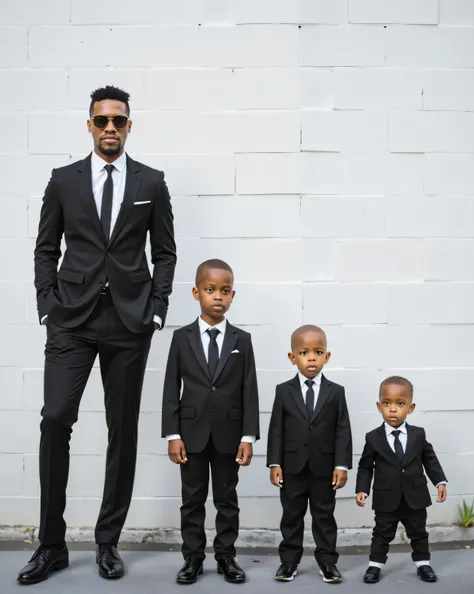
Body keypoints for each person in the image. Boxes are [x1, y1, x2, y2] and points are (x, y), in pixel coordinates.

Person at [18, 86, 176, 585]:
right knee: (55, 419)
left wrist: (156, 309)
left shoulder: (152, 181)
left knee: (121, 430)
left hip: (130, 323)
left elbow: (165, 252)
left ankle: (108, 542)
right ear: (89, 125)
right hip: (72, 318)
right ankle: (51, 545)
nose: (111, 128)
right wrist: (48, 305)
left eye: (119, 121)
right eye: (102, 120)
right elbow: (45, 247)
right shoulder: (63, 180)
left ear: (130, 126)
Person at [161, 259, 259, 585]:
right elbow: (170, 388)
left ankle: (227, 557)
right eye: (210, 289)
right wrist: (172, 434)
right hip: (191, 434)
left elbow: (249, 390)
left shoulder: (241, 340)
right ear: (196, 292)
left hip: (230, 435)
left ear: (233, 295)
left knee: (227, 499)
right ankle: (192, 559)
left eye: (225, 291)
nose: (218, 296)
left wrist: (248, 436)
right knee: (192, 500)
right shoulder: (181, 337)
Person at [267, 325, 352, 583]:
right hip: (292, 467)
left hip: (324, 468)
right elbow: (276, 430)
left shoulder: (336, 392)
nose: (311, 357)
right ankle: (289, 562)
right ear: (293, 357)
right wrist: (274, 463)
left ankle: (328, 562)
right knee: (291, 516)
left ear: (327, 356)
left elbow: (343, 430)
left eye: (318, 352)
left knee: (324, 516)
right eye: (304, 352)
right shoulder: (283, 391)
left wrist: (342, 465)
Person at [356, 376, 447, 584]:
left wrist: (440, 481)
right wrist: (362, 489)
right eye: (387, 403)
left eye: (400, 404)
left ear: (411, 407)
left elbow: (430, 459)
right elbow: (365, 466)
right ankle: (375, 565)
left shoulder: (418, 435)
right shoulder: (373, 437)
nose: (393, 409)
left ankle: (423, 563)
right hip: (386, 497)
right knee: (381, 533)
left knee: (419, 532)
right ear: (379, 406)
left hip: (415, 496)